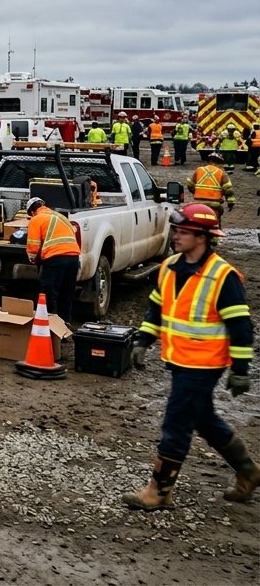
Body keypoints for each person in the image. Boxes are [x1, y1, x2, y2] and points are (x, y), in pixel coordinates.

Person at [121, 203, 257, 510]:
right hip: (179, 359)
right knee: (203, 419)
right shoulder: (170, 267)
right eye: (177, 230)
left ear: (203, 237)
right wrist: (144, 340)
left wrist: (241, 369)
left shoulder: (223, 277)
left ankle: (159, 490)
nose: (176, 236)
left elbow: (241, 326)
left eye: (184, 232)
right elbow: (156, 308)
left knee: (177, 421)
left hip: (205, 364)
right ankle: (248, 471)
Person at [24, 197, 81, 325]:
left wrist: (33, 260)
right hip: (73, 257)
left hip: (55, 258)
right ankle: (65, 323)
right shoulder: (60, 217)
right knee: (66, 292)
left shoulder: (36, 219)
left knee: (49, 293)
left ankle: (52, 326)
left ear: (32, 211)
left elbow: (33, 246)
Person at [186, 153, 235, 223]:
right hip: (214, 205)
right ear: (220, 163)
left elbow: (189, 184)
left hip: (199, 204)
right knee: (216, 223)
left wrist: (196, 192)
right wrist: (231, 202)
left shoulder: (199, 170)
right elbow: (228, 190)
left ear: (209, 161)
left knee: (196, 222)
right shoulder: (221, 173)